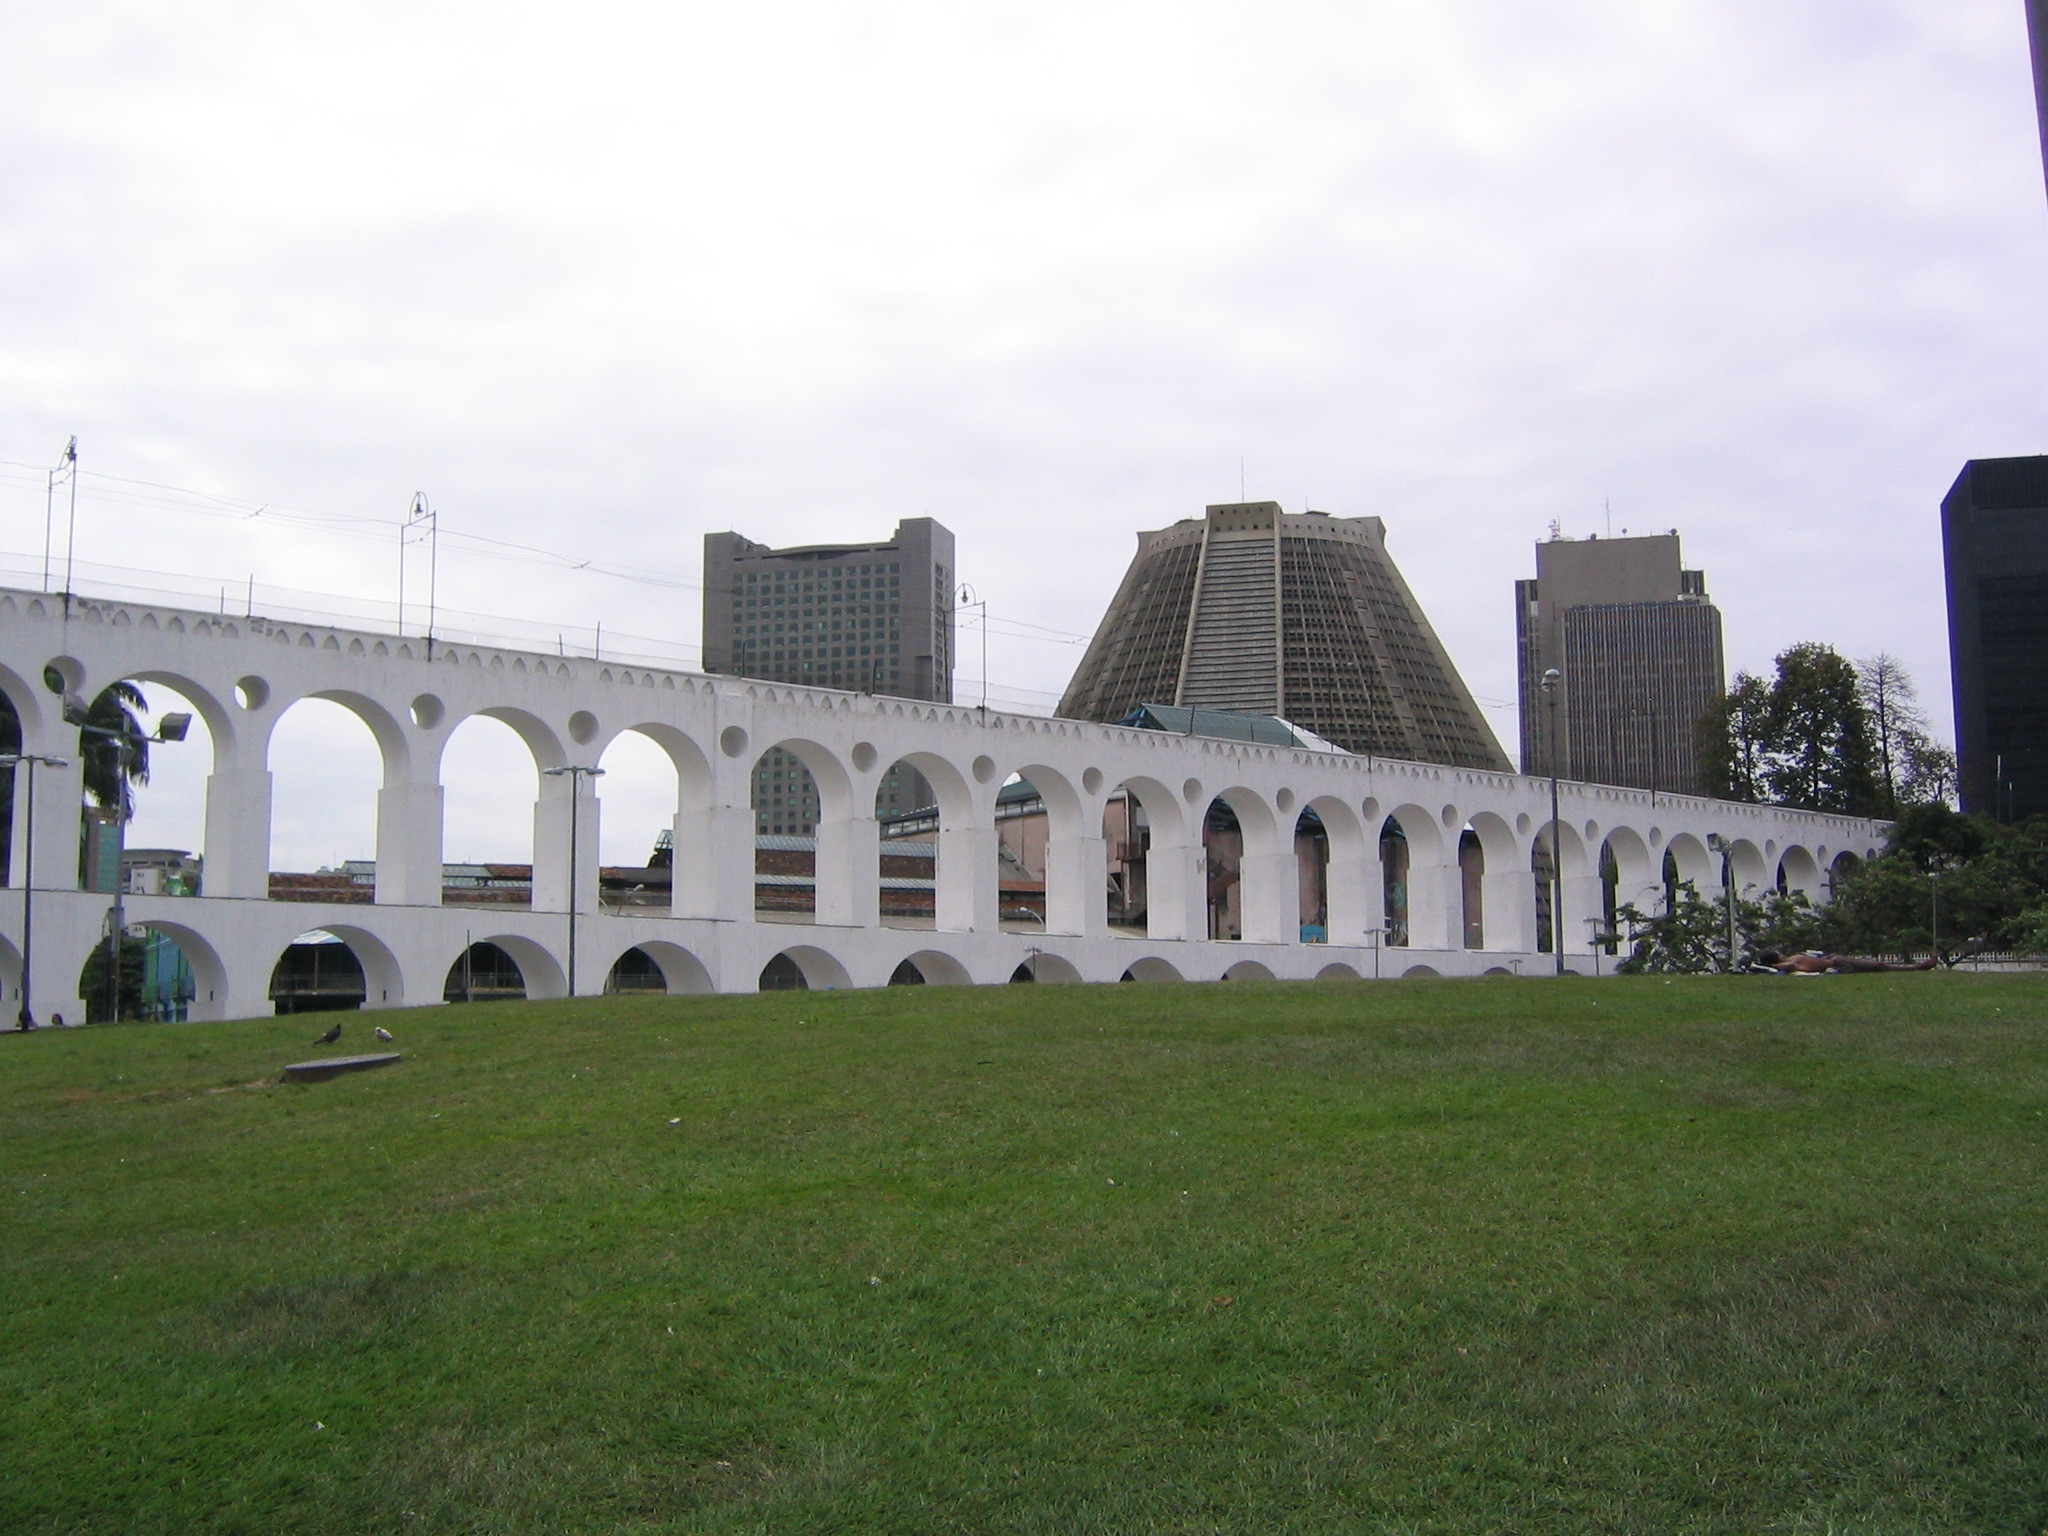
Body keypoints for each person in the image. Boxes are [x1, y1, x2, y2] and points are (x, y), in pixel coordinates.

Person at [1753, 950, 1938, 974]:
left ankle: (1916, 967)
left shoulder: (1792, 957)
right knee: (1878, 966)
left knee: (1877, 965)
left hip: (1834, 961)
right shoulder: (1786, 962)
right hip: (1836, 965)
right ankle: (1917, 967)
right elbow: (1786, 967)